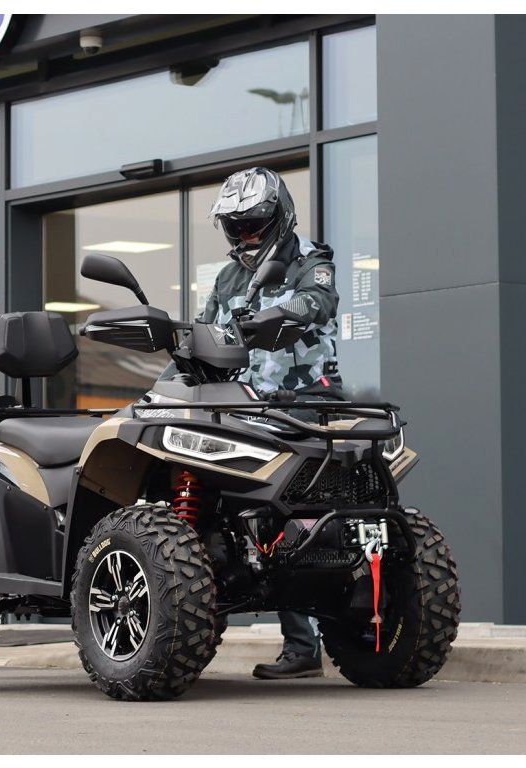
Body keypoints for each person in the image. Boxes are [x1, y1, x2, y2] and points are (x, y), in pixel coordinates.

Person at [202, 167, 342, 679]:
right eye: (236, 226)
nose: (245, 234)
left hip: (307, 403)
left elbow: (318, 302)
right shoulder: (228, 278)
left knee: (292, 517)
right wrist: (158, 388)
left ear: (279, 214)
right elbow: (204, 336)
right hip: (247, 407)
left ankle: (304, 647)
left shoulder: (311, 259)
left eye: (254, 223)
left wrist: (276, 314)